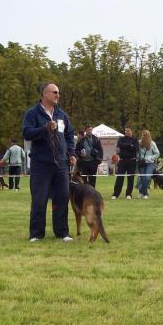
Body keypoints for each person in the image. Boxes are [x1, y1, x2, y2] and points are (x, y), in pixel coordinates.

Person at [22, 81, 76, 241]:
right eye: (54, 92)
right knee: (39, 199)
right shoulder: (32, 114)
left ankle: (62, 233)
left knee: (62, 198)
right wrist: (44, 129)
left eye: (58, 92)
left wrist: (72, 153)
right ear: (44, 94)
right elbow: (27, 133)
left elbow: (69, 135)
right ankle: (36, 234)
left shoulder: (62, 115)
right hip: (41, 164)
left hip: (61, 164)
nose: (58, 95)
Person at [111, 126, 140, 200]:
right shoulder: (121, 139)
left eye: (128, 130)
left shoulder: (135, 140)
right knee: (119, 178)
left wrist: (126, 146)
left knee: (130, 178)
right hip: (122, 160)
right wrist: (129, 145)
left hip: (132, 161)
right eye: (125, 130)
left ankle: (129, 194)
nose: (126, 132)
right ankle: (115, 194)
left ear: (131, 131)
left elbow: (135, 149)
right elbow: (120, 146)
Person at [75, 124, 104, 188]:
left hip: (93, 162)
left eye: (90, 129)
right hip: (84, 162)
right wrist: (80, 154)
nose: (89, 131)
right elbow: (76, 150)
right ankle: (84, 193)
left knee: (92, 180)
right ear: (85, 131)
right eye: (88, 130)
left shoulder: (96, 139)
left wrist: (99, 160)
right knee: (84, 179)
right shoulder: (81, 140)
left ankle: (92, 193)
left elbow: (100, 150)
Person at [137, 129, 160, 199]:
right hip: (141, 163)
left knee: (147, 177)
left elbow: (157, 153)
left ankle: (141, 191)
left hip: (150, 163)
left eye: (144, 135)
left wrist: (149, 158)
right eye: (142, 135)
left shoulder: (152, 143)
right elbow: (136, 153)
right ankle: (145, 194)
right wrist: (139, 157)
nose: (143, 136)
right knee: (143, 178)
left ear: (148, 136)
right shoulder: (138, 143)